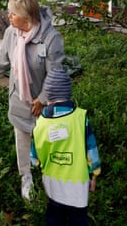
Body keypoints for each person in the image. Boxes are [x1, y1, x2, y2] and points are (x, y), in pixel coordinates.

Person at [0, 0, 65, 200]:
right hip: (20, 99)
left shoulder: (50, 38)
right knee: (22, 139)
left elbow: (56, 73)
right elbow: (2, 57)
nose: (9, 17)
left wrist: (43, 99)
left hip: (44, 103)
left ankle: (51, 175)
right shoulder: (11, 33)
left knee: (49, 139)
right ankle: (26, 176)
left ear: (26, 17)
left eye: (12, 14)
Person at [31, 67, 101, 225]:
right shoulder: (80, 118)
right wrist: (94, 174)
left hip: (52, 184)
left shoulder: (40, 123)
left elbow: (34, 158)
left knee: (54, 218)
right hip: (77, 186)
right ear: (68, 93)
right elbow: (92, 150)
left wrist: (38, 163)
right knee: (78, 220)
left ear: (47, 95)